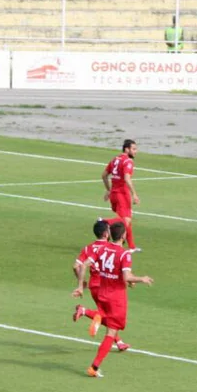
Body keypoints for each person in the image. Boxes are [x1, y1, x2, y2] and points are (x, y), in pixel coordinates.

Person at [72, 221, 153, 378]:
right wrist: (141, 279)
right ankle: (94, 367)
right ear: (123, 236)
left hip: (102, 292)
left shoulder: (102, 249)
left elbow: (83, 265)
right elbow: (126, 276)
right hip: (116, 297)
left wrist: (81, 286)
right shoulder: (124, 254)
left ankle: (94, 315)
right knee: (111, 331)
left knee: (109, 323)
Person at [72, 218, 130, 353]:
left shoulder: (88, 248)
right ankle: (84, 311)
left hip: (93, 286)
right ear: (106, 233)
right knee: (109, 316)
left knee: (108, 315)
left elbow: (76, 266)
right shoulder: (109, 248)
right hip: (107, 286)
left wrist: (81, 283)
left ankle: (119, 342)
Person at [102, 139, 140, 251]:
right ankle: (105, 222)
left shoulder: (115, 159)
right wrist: (134, 194)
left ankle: (131, 247)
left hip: (114, 195)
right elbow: (127, 178)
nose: (136, 151)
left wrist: (108, 190)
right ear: (126, 149)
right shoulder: (128, 161)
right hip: (122, 194)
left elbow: (104, 175)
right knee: (125, 221)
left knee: (128, 219)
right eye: (134, 149)